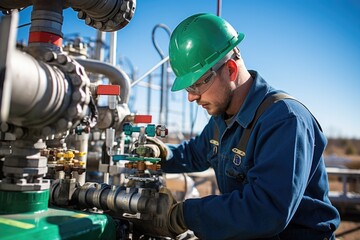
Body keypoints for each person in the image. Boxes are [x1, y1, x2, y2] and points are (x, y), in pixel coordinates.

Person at [151, 13, 340, 240]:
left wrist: (184, 215)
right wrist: (159, 155)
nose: (191, 98)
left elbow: (266, 210)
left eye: (196, 85)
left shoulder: (284, 120)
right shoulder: (221, 120)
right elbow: (194, 153)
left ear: (230, 69)